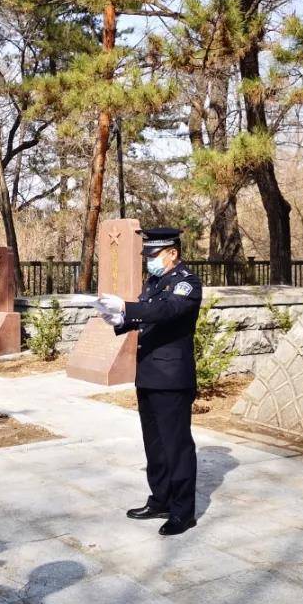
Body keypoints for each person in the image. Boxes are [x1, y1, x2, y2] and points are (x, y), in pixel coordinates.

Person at [95, 227, 203, 536]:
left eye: (154, 255)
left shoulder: (187, 283)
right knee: (154, 445)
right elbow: (149, 315)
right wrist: (121, 320)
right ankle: (160, 500)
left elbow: (167, 311)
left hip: (172, 378)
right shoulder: (156, 282)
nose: (149, 262)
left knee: (177, 446)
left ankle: (183, 512)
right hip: (149, 374)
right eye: (148, 256)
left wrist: (128, 308)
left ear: (172, 252)